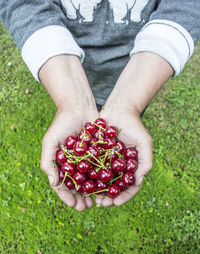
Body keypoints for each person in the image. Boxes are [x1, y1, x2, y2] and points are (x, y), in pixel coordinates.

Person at [0, 0, 199, 211]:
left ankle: (127, 111)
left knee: (125, 118)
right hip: (64, 68)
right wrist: (70, 101)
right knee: (95, 113)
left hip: (140, 72)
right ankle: (93, 105)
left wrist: (130, 103)